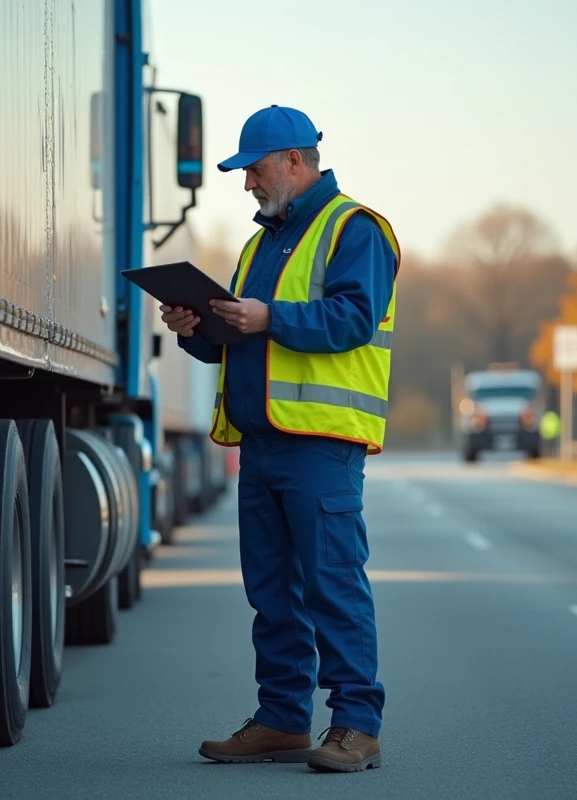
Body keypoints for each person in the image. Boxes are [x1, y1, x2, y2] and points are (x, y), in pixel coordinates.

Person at [159, 105, 400, 774]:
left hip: (321, 444)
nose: (248, 185)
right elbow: (242, 338)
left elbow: (352, 318)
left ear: (295, 161)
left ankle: (357, 725)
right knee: (272, 594)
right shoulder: (261, 244)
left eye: (255, 170)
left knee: (332, 586)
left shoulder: (356, 229)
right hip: (261, 446)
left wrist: (271, 316)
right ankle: (283, 720)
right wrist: (194, 328)